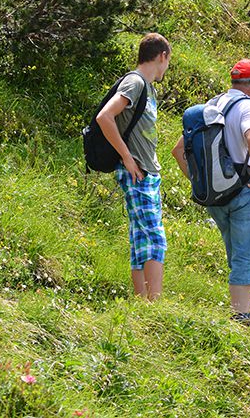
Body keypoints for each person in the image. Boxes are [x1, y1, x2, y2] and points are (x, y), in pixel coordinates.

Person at [172, 58, 250, 325]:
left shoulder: (212, 105)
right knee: (248, 253)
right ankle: (241, 316)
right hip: (244, 190)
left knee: (237, 251)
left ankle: (239, 310)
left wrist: (202, 183)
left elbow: (177, 151)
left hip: (215, 195)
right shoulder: (248, 107)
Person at [96, 33, 171, 301]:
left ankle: (143, 304)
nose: (166, 68)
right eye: (167, 61)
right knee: (155, 239)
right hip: (136, 171)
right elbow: (105, 116)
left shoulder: (147, 87)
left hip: (146, 171)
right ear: (162, 56)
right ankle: (155, 303)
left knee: (141, 240)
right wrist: (127, 157)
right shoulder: (135, 82)